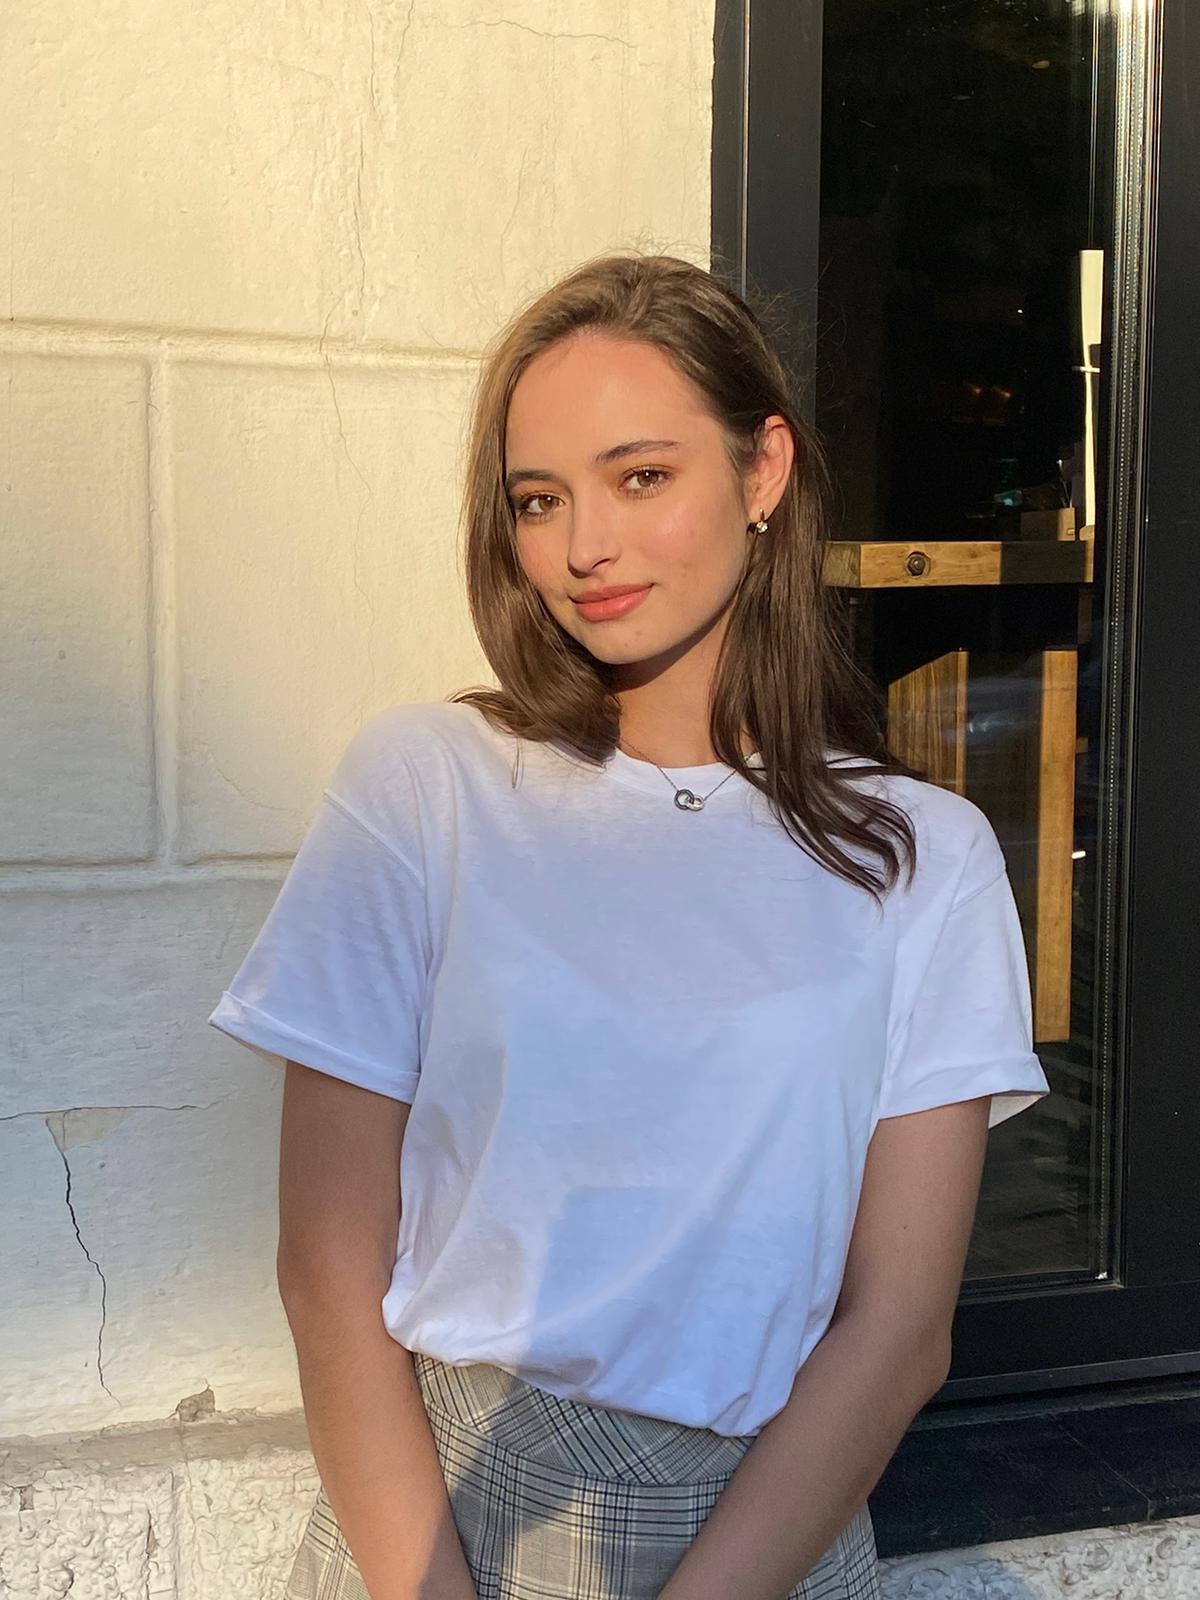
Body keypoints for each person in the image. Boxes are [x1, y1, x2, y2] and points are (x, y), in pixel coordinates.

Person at [208, 251, 1051, 1600]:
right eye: (538, 499)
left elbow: (898, 1330)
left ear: (763, 471)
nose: (581, 547)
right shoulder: (428, 786)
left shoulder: (921, 857)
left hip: (773, 1532)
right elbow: (325, 1266)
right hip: (443, 1522)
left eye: (640, 476)